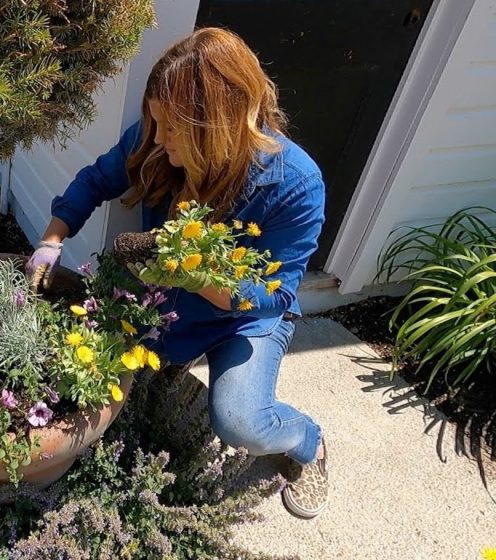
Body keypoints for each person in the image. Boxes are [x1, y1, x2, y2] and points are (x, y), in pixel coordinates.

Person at [25, 27, 328, 519]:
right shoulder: (156, 137)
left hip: (243, 317)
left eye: (172, 129)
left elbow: (274, 295)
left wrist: (193, 277)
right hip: (168, 302)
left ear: (218, 127)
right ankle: (171, 358)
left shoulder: (294, 184)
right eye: (157, 124)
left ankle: (306, 440)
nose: (158, 140)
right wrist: (51, 239)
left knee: (238, 423)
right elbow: (98, 178)